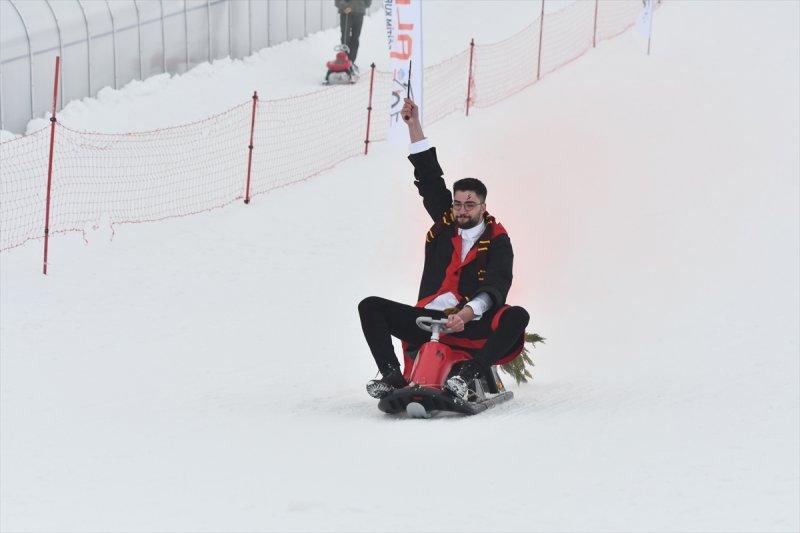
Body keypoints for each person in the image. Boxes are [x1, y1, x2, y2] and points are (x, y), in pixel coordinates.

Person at [359, 98, 530, 399]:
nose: (462, 210)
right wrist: (414, 125)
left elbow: (496, 285)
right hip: (429, 319)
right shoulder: (446, 223)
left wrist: (466, 313)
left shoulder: (499, 240)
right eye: (458, 203)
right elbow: (428, 177)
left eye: (469, 204)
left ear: (483, 206)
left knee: (517, 316)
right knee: (370, 306)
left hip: (469, 323)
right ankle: (391, 375)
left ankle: (471, 373)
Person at [335, 0, 371, 70]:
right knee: (345, 37)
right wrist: (344, 6)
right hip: (346, 12)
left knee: (355, 37)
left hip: (359, 12)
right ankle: (344, 60)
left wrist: (363, 4)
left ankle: (351, 62)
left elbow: (368, 2)